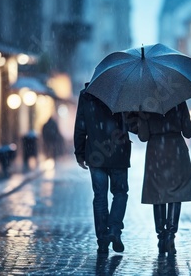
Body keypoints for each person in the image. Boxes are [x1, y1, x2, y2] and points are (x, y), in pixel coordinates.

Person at [74, 82, 133, 254]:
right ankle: (114, 230)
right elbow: (131, 124)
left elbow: (80, 125)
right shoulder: (122, 92)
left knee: (100, 196)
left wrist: (80, 152)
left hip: (96, 153)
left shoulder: (86, 95)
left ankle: (102, 239)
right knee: (120, 193)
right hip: (119, 153)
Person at [137, 102, 191, 255]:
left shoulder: (146, 103)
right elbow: (188, 132)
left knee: (157, 194)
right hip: (176, 150)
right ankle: (171, 234)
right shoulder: (179, 100)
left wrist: (142, 117)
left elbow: (143, 136)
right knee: (176, 193)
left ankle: (161, 236)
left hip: (156, 152)